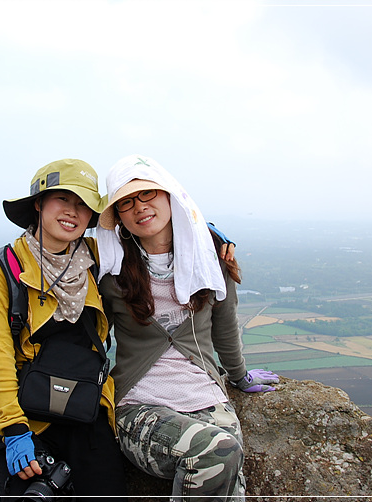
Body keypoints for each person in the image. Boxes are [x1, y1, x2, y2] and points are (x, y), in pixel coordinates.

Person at [96, 154, 279, 501]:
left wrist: (239, 376)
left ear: (169, 197)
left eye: (148, 194)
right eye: (126, 203)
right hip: (139, 404)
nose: (140, 207)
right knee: (216, 453)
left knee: (231, 475)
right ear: (119, 217)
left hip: (206, 396)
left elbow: (225, 326)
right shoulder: (112, 267)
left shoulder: (208, 256)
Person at [0, 159, 128, 500]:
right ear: (38, 203)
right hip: (31, 421)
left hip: (89, 415)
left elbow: (153, 237)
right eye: (64, 199)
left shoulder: (97, 258)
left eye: (83, 205)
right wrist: (14, 430)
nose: (73, 212)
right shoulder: (4, 267)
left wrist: (210, 235)